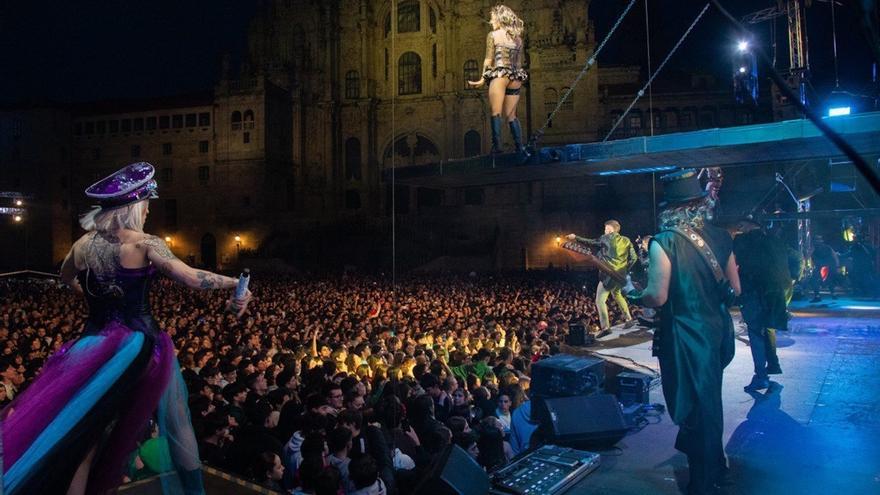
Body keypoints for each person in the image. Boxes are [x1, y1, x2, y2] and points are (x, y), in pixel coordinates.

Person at [0, 162, 252, 495]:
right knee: (176, 420)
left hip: (91, 344)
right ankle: (193, 490)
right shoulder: (145, 243)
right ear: (132, 208)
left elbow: (65, 276)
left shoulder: (83, 245)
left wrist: (94, 297)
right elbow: (191, 277)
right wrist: (236, 282)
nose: (147, 212)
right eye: (145, 205)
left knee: (85, 437)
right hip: (140, 346)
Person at [624, 169, 741, 495]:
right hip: (717, 330)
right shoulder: (722, 236)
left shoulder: (665, 242)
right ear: (700, 204)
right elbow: (736, 288)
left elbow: (657, 296)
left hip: (686, 335)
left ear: (670, 208)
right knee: (709, 401)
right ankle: (716, 465)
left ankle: (703, 482)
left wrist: (634, 293)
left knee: (694, 406)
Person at [730, 218, 787, 392]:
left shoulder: (742, 241)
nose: (739, 228)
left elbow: (734, 265)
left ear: (749, 224)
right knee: (767, 329)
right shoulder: (774, 241)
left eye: (742, 224)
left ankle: (761, 375)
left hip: (752, 293)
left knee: (755, 333)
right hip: (774, 294)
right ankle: (772, 365)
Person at [467, 5, 529, 156]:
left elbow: (488, 60)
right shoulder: (518, 39)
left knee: (496, 112)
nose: (490, 21)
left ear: (500, 19)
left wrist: (482, 79)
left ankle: (497, 147)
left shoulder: (493, 35)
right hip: (515, 77)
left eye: (493, 18)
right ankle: (519, 147)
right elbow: (519, 63)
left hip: (500, 75)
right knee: (512, 115)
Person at [567, 220, 638, 337]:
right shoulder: (626, 240)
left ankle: (605, 328)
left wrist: (576, 237)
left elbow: (592, 242)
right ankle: (629, 319)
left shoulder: (605, 238)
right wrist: (624, 269)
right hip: (620, 275)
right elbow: (634, 258)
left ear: (610, 229)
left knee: (600, 301)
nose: (604, 231)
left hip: (608, 274)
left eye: (606, 228)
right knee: (617, 294)